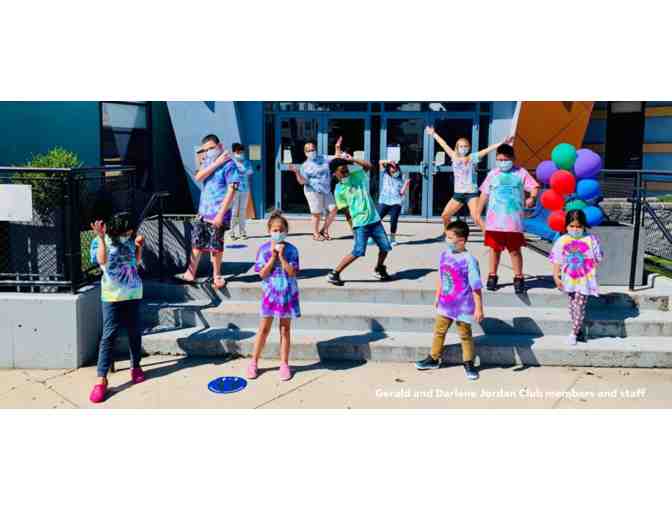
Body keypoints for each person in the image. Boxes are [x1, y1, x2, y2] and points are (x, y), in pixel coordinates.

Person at [88, 212, 146, 403]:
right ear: (116, 229)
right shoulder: (100, 241)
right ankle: (101, 379)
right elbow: (102, 261)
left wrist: (139, 247)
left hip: (133, 293)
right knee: (109, 335)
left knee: (134, 332)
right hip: (112, 296)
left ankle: (135, 366)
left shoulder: (130, 240)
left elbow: (136, 262)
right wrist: (101, 238)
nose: (129, 234)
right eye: (126, 231)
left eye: (130, 231)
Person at [415, 220, 484, 380]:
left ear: (462, 240)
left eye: (450, 237)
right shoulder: (444, 255)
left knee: (465, 335)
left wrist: (479, 308)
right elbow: (442, 277)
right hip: (445, 304)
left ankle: (469, 362)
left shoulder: (469, 260)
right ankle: (433, 358)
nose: (447, 240)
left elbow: (476, 286)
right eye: (447, 237)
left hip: (463, 306)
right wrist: (437, 296)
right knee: (439, 332)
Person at [476, 143, 539, 294]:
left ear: (513, 159)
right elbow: (484, 193)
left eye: (506, 160)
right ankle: (492, 275)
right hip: (494, 222)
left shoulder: (521, 173)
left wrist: (532, 197)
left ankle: (518, 277)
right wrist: (478, 212)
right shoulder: (493, 174)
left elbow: (534, 187)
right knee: (494, 250)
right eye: (499, 159)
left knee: (514, 251)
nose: (502, 162)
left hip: (513, 222)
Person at [179, 134, 239, 289]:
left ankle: (217, 275)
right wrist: (216, 163)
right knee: (197, 243)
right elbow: (198, 177)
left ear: (220, 146)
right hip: (203, 211)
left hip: (218, 212)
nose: (208, 152)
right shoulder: (207, 162)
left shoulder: (230, 165)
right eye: (205, 150)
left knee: (216, 246)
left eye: (211, 148)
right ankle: (190, 273)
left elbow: (232, 190)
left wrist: (220, 214)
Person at [246, 211, 300, 381]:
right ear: (269, 231)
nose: (278, 233)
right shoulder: (263, 250)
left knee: (285, 329)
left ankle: (284, 364)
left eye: (281, 230)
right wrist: (272, 257)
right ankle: (253, 362)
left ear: (286, 231)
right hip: (270, 295)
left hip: (287, 294)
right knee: (264, 329)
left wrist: (282, 257)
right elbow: (262, 274)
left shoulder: (292, 250)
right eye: (275, 230)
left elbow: (292, 272)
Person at [427, 127, 513, 231]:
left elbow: (487, 150)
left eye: (465, 146)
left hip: (471, 193)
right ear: (457, 147)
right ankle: (449, 234)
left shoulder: (473, 157)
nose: (463, 148)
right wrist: (433, 134)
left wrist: (502, 142)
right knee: (445, 215)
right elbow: (443, 144)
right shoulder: (454, 156)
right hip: (458, 194)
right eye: (461, 146)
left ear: (469, 147)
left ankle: (489, 236)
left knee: (476, 217)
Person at [328, 157, 393, 286]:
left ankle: (379, 268)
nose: (346, 172)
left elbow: (368, 166)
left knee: (385, 247)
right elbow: (347, 213)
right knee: (358, 251)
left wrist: (352, 159)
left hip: (374, 220)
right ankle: (334, 273)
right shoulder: (339, 190)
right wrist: (353, 229)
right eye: (342, 171)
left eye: (346, 169)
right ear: (335, 173)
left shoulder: (356, 176)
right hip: (360, 224)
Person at [550, 209, 604, 345]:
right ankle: (578, 328)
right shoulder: (562, 240)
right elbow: (557, 259)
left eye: (578, 226)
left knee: (579, 305)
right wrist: (556, 276)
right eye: (572, 226)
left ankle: (574, 333)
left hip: (584, 279)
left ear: (584, 225)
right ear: (566, 226)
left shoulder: (591, 240)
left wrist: (588, 265)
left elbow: (598, 257)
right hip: (569, 278)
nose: (575, 229)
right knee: (572, 305)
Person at [288, 137, 343, 241]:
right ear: (305, 153)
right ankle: (315, 233)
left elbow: (336, 157)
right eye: (308, 150)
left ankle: (324, 230)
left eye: (312, 149)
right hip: (313, 191)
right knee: (316, 213)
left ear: (316, 149)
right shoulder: (305, 166)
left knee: (334, 209)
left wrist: (337, 147)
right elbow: (302, 182)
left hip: (326, 189)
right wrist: (297, 172)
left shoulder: (323, 158)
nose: (311, 151)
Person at [376, 160, 410, 246]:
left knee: (393, 220)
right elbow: (380, 162)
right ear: (388, 168)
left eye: (394, 167)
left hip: (396, 202)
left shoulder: (401, 176)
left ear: (397, 168)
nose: (393, 168)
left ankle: (392, 239)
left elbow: (401, 193)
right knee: (376, 219)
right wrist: (389, 161)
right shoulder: (385, 174)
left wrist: (406, 184)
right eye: (391, 167)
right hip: (384, 201)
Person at [229, 142, 254, 241]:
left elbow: (250, 174)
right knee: (234, 211)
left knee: (242, 211)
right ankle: (232, 232)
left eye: (242, 152)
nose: (240, 154)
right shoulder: (231, 163)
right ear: (234, 152)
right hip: (234, 190)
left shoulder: (247, 162)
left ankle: (242, 232)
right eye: (238, 152)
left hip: (245, 189)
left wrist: (248, 187)